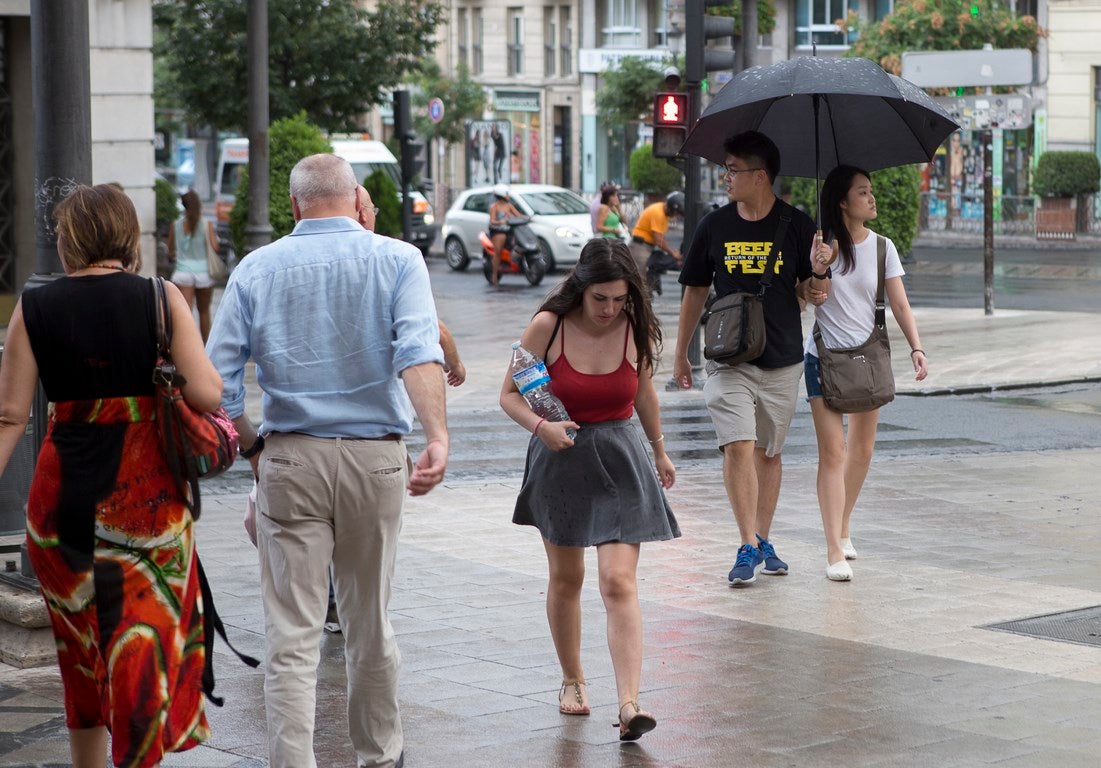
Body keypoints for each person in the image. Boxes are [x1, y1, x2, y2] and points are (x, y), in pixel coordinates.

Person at [206, 154, 449, 768]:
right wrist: (437, 436)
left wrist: (252, 446)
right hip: (376, 460)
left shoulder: (256, 268)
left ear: (293, 205)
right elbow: (418, 352)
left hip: (290, 459)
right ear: (358, 199)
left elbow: (216, 385)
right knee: (371, 624)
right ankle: (380, 755)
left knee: (292, 634)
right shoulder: (399, 259)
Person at [0, 184, 224, 767]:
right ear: (125, 235)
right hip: (148, 508)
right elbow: (206, 393)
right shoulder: (159, 297)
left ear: (70, 240)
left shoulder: (34, 306)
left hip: (62, 510)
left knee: (81, 659)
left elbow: (10, 417)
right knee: (139, 658)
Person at [500, 238, 679, 742]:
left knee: (618, 581)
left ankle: (629, 704)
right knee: (567, 578)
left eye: (619, 299)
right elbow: (509, 395)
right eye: (600, 298)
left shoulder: (633, 326)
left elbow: (644, 393)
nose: (609, 309)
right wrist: (542, 428)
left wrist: (660, 451)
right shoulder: (547, 326)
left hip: (621, 457)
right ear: (581, 287)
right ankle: (573, 679)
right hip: (561, 457)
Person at [673, 130, 829, 586]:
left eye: (733, 170)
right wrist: (681, 353)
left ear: (760, 176)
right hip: (728, 357)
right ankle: (746, 544)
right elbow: (694, 290)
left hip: (782, 356)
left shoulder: (798, 225)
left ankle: (762, 538)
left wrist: (820, 270)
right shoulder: (714, 226)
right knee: (738, 444)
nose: (726, 177)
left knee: (768, 453)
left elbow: (814, 294)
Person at [805, 165, 928, 581]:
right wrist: (819, 268)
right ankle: (833, 550)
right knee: (833, 453)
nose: (871, 198)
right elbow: (811, 298)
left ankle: (843, 525)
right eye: (862, 192)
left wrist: (916, 348)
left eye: (870, 191)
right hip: (823, 358)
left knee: (862, 450)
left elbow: (900, 304)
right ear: (842, 201)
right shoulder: (822, 246)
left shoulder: (882, 247)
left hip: (866, 358)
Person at [167, 189, 221, 342]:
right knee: (203, 312)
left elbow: (170, 250)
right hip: (204, 273)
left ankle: (187, 346)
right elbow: (215, 247)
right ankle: (206, 346)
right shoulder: (206, 224)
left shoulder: (175, 225)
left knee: (185, 314)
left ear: (183, 206)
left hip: (182, 272)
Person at [629, 192, 684, 294]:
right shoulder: (658, 213)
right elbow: (659, 240)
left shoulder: (662, 210)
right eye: (676, 213)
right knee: (640, 280)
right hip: (640, 246)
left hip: (646, 246)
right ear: (671, 208)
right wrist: (673, 253)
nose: (676, 216)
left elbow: (660, 237)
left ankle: (646, 298)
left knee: (646, 276)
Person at [488, 183, 524, 289]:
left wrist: (529, 218)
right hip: (497, 231)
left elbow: (519, 216)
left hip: (508, 230)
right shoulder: (494, 207)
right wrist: (501, 221)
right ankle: (494, 275)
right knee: (498, 250)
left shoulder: (509, 206)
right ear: (502, 195)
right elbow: (492, 221)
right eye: (507, 194)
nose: (508, 196)